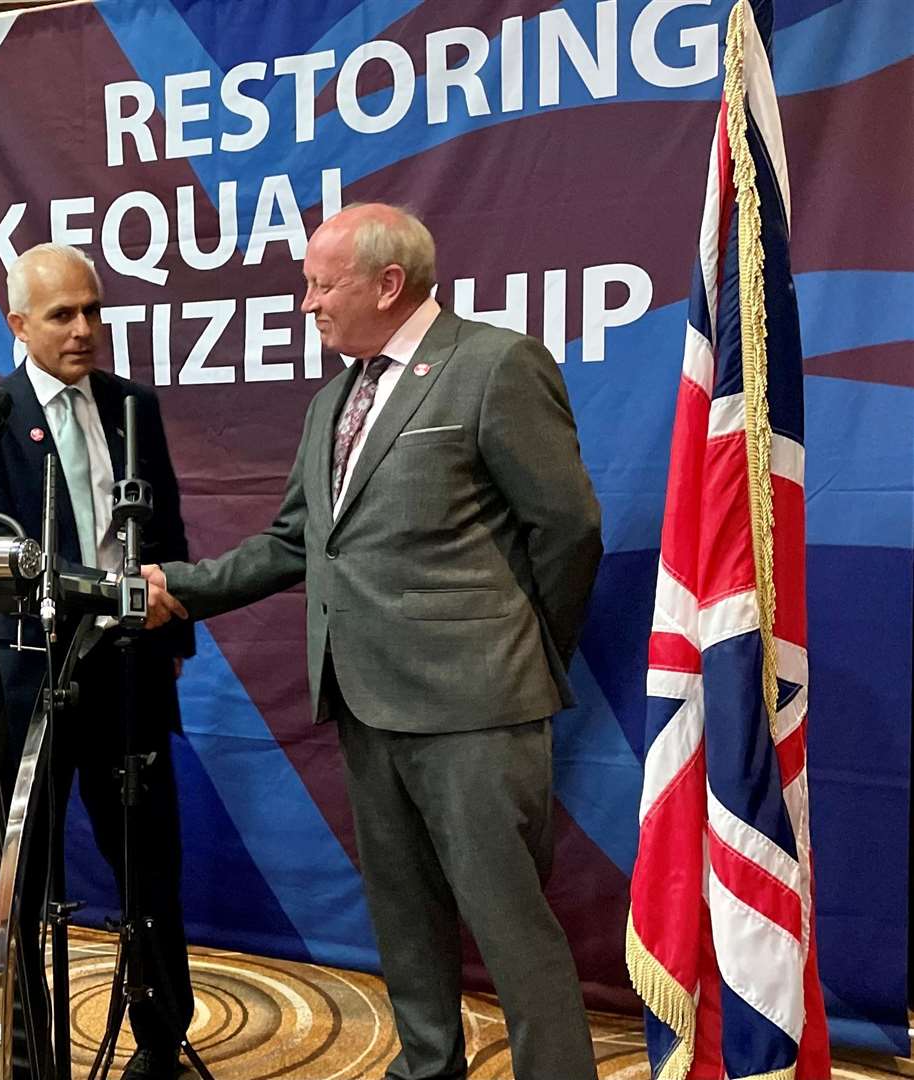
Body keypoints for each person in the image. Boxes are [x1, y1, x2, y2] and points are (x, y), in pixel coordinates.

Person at [144, 204, 602, 1080]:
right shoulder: (333, 400)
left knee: (511, 927)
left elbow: (570, 529)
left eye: (322, 284)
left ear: (389, 284)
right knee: (403, 916)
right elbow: (293, 543)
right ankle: (427, 1068)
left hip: (477, 708)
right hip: (361, 699)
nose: (306, 302)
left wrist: (526, 653)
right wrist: (180, 588)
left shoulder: (494, 365)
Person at [0, 243, 194, 1080]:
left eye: (93, 309)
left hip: (132, 678)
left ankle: (160, 1041)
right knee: (24, 885)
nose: (84, 329)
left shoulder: (133, 407)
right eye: (62, 315)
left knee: (151, 870)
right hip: (32, 687)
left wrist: (173, 645)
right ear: (18, 324)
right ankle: (30, 1056)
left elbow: (168, 539)